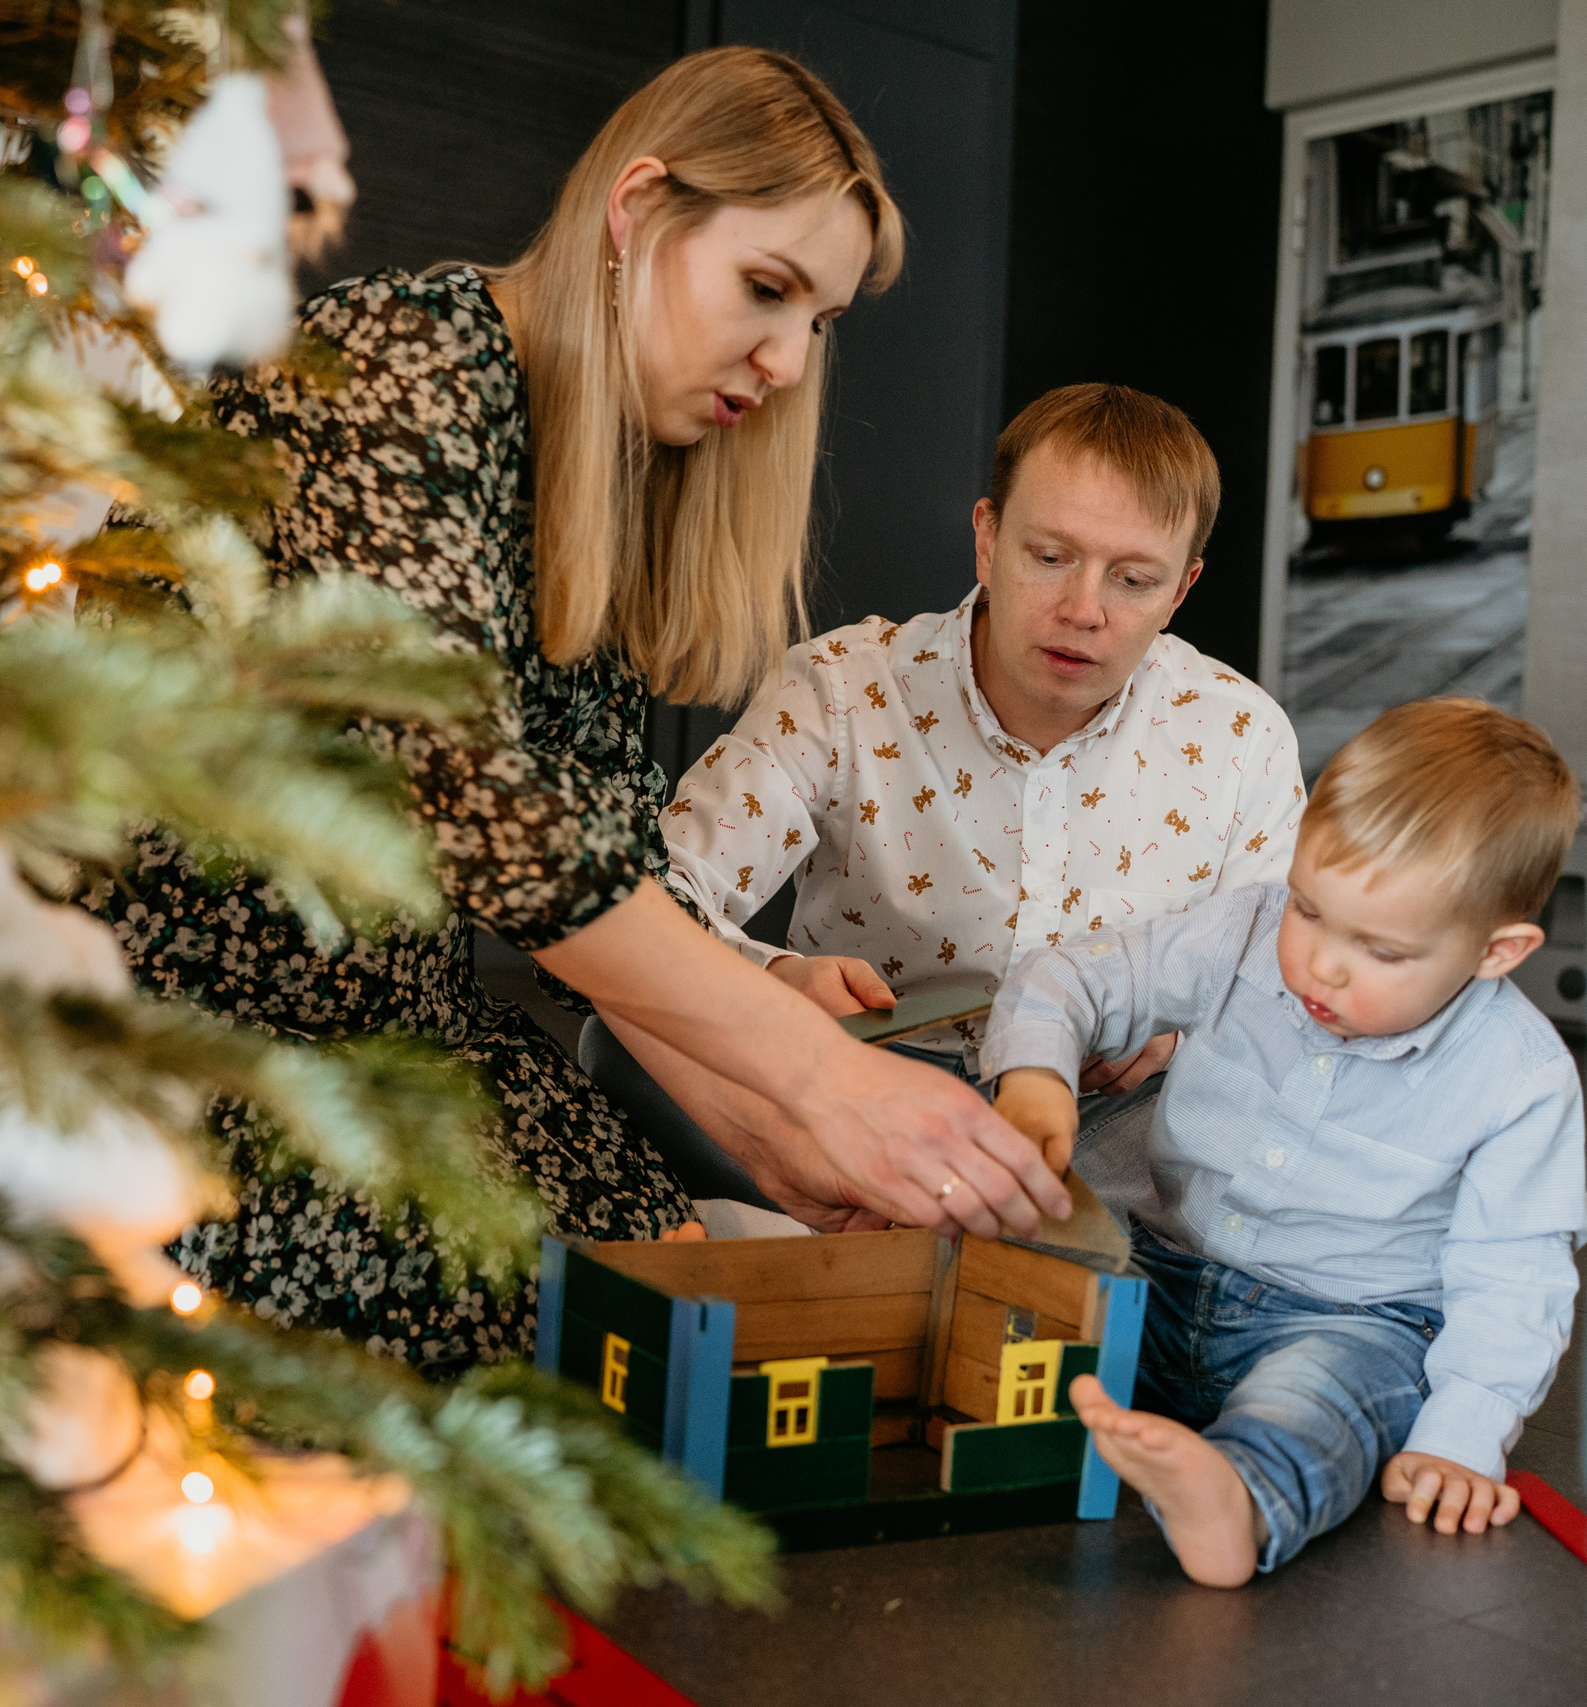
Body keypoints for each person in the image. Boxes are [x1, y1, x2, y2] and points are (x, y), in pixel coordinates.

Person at [88, 47, 1071, 1373]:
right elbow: (480, 806)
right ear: (638, 209)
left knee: (707, 1292)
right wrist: (821, 1078)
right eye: (767, 289)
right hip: (174, 1055)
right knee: (614, 1348)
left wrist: (777, 1131)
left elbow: (601, 885)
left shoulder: (594, 481)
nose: (788, 361)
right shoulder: (400, 364)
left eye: (820, 322)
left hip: (401, 1053)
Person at [588, 385, 1303, 1214]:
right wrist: (774, 981)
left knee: (1257, 1132)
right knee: (625, 1036)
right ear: (987, 540)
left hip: (1106, 1115)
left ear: (1181, 590)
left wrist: (1176, 1034)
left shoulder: (1242, 735)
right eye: (1050, 557)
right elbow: (650, 895)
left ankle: (955, 1227)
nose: (1084, 610)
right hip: (857, 1082)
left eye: (1134, 579)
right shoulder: (843, 688)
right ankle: (983, 1229)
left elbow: (1283, 993)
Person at [984, 697, 1587, 1587]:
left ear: (1497, 951)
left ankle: (1237, 1494)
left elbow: (1515, 1278)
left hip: (1348, 1323)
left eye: (1381, 950)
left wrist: (1461, 1440)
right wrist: (1036, 1073)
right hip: (1158, 1272)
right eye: (1310, 908)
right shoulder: (1246, 930)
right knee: (1024, 1304)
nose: (1320, 963)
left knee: (1319, 1405)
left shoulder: (1521, 1077)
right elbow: (1074, 976)